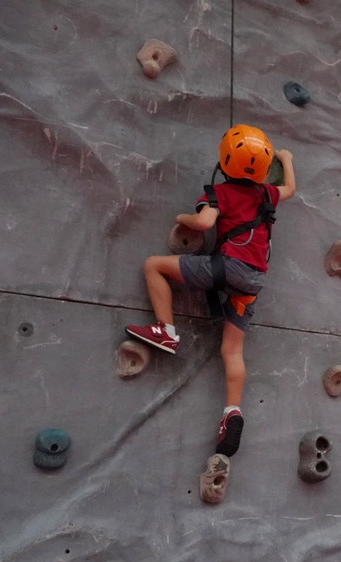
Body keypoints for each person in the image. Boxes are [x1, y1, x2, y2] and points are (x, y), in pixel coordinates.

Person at [125, 125, 295, 491]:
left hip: (226, 267)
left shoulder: (219, 192)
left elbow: (203, 223)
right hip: (253, 281)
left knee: (154, 265)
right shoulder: (267, 192)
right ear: (264, 167)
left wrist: (182, 219)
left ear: (224, 160)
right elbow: (290, 189)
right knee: (231, 350)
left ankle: (165, 331)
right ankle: (231, 411)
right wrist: (288, 160)